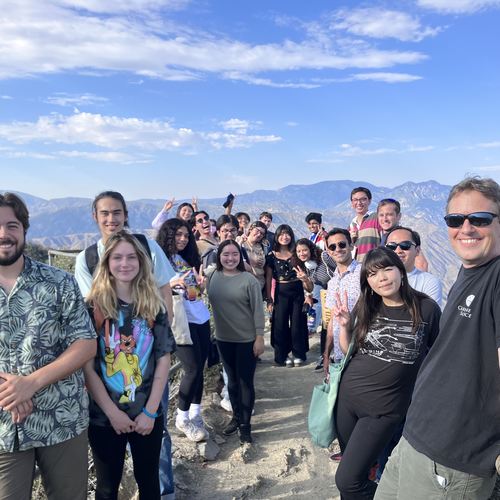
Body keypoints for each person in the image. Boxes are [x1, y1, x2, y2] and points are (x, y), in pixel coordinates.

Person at [375, 176, 500, 500]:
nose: (467, 228)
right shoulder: (468, 271)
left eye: (481, 219)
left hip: (451, 460)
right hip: (416, 437)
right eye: (456, 220)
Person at [0, 192, 97, 500]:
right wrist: (11, 392)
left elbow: (85, 343)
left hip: (61, 418)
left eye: (12, 226)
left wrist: (30, 383)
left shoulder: (59, 282)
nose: (4, 234)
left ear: (24, 230)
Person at [332, 247, 441, 500]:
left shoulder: (427, 309)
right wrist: (345, 327)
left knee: (348, 481)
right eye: (372, 274)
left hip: (384, 409)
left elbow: (441, 357)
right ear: (367, 282)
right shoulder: (368, 306)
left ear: (400, 271)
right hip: (347, 401)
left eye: (386, 269)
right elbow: (350, 351)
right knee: (357, 475)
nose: (381, 278)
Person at [83, 231, 175, 500]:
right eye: (117, 257)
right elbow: (88, 367)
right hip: (104, 416)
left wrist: (150, 411)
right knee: (107, 487)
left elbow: (163, 359)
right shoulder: (92, 308)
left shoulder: (152, 306)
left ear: (141, 262)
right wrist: (112, 414)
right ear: (107, 263)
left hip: (147, 413)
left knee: (148, 482)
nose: (125, 263)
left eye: (132, 257)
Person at [75, 191, 175, 322]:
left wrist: (166, 334)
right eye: (104, 213)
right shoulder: (86, 259)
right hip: (107, 337)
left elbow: (165, 292)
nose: (111, 219)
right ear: (95, 217)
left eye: (117, 213)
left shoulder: (149, 248)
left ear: (125, 215)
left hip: (151, 334)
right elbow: (88, 306)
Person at [156, 219, 211, 442]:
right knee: (192, 369)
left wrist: (201, 287)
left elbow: (193, 289)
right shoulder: (159, 259)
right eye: (178, 234)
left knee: (200, 369)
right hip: (179, 321)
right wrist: (169, 286)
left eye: (186, 235)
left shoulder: (186, 258)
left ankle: (196, 415)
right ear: (168, 235)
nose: (182, 239)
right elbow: (147, 288)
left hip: (200, 316)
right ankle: (182, 418)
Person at [205, 240, 265, 444]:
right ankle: (237, 418)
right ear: (219, 256)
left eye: (234, 254)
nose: (230, 258)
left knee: (245, 382)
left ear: (240, 257)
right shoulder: (212, 276)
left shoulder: (248, 280)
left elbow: (258, 312)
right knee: (231, 381)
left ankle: (246, 425)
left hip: (247, 340)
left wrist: (259, 338)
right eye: (225, 254)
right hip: (223, 339)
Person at [265, 224, 311, 367]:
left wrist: (308, 294)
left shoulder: (297, 253)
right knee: (280, 323)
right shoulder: (271, 256)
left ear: (291, 236)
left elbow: (306, 275)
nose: (284, 237)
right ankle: (282, 355)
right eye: (281, 234)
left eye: (287, 234)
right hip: (280, 292)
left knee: (298, 322)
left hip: (297, 290)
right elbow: (268, 278)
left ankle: (298, 354)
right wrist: (269, 299)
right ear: (277, 237)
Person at [321, 228, 361, 375]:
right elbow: (332, 321)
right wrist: (326, 355)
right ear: (329, 251)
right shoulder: (332, 283)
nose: (338, 249)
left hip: (360, 351)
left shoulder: (365, 274)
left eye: (342, 244)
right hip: (339, 355)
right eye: (332, 246)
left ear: (351, 245)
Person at [385, 226, 443, 307]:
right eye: (391, 246)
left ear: (417, 250)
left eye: (405, 245)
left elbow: (428, 316)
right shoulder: (377, 280)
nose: (398, 250)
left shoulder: (429, 282)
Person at [237, 221, 268, 293]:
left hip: (258, 284)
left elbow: (265, 268)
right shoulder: (239, 240)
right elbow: (233, 253)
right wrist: (241, 241)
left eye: (262, 233)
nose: (259, 234)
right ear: (250, 229)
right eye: (257, 231)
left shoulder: (262, 248)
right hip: (242, 284)